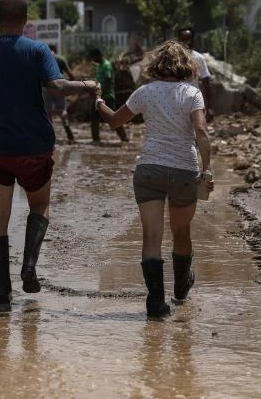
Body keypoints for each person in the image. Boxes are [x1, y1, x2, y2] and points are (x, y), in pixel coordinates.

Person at [0, 0, 100, 307]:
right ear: (26, 20)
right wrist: (88, 85)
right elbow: (57, 87)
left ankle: (2, 295)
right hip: (34, 148)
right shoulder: (38, 50)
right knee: (40, 205)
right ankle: (29, 265)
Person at [95, 40, 214, 318]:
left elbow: (114, 121)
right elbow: (201, 132)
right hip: (184, 171)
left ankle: (156, 303)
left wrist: (99, 101)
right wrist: (206, 170)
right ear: (185, 66)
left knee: (151, 236)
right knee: (181, 232)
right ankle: (181, 288)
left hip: (149, 170)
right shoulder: (192, 93)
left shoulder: (145, 92)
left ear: (156, 65)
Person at [89, 48, 129, 143]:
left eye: (94, 57)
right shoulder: (99, 66)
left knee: (114, 117)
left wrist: (100, 94)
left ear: (98, 55)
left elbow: (107, 80)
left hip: (107, 96)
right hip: (99, 96)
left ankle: (124, 138)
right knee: (94, 117)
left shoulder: (106, 65)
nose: (93, 60)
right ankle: (95, 139)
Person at [176, 27, 214, 122]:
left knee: (196, 128)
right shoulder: (173, 59)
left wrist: (210, 107)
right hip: (175, 101)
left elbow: (206, 83)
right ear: (178, 41)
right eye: (183, 39)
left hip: (193, 100)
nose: (186, 42)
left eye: (188, 39)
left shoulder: (199, 58)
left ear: (193, 40)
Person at [44, 44, 75, 144]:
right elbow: (71, 75)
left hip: (46, 87)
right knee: (62, 110)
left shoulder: (42, 59)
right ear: (55, 50)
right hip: (60, 86)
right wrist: (70, 87)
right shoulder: (61, 59)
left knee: (48, 112)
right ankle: (68, 131)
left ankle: (49, 137)